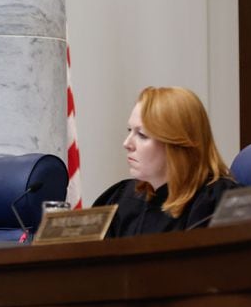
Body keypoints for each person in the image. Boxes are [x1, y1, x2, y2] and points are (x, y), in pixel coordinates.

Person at [93, 86, 238, 237]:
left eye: (142, 135)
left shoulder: (219, 202)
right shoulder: (119, 198)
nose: (127, 144)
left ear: (177, 144)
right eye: (130, 131)